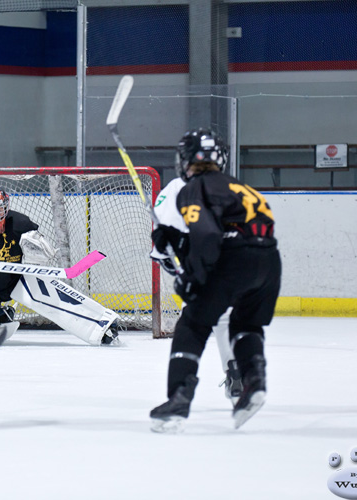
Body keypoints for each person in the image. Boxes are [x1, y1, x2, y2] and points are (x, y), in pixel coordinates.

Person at [149, 128, 281, 433]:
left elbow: (208, 236)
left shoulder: (192, 189)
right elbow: (230, 231)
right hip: (268, 263)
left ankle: (178, 401)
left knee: (193, 324)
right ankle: (253, 384)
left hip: (233, 262)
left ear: (184, 160)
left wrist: (194, 277)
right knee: (244, 325)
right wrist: (175, 239)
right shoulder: (239, 187)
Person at [0, 186, 120, 347]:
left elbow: (38, 243)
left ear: (6, 205)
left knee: (51, 297)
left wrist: (38, 250)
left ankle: (101, 324)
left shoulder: (19, 222)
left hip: (16, 279)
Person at [151, 174, 242, 406]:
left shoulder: (174, 188)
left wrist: (164, 254)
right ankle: (236, 372)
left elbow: (165, 226)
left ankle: (181, 388)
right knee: (223, 317)